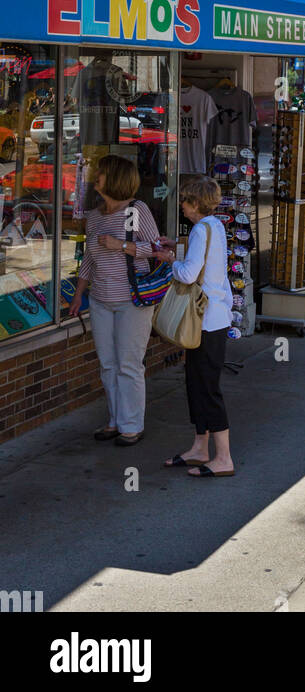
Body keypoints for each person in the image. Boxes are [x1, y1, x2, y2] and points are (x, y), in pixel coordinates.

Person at [69, 154, 161, 447]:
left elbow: (157, 248)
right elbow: (88, 261)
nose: (96, 176)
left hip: (131, 300)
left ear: (115, 179)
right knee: (107, 364)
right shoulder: (95, 216)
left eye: (102, 173)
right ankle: (114, 420)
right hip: (99, 300)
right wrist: (78, 293)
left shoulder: (136, 210)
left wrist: (121, 245)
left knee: (129, 364)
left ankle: (132, 425)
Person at [154, 176, 234, 478]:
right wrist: (179, 247)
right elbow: (208, 262)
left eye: (185, 202)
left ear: (196, 203)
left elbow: (188, 275)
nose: (183, 208)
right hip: (214, 317)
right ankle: (200, 448)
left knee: (206, 387)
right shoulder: (214, 226)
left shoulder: (201, 229)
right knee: (196, 383)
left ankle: (223, 457)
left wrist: (170, 259)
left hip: (206, 320)